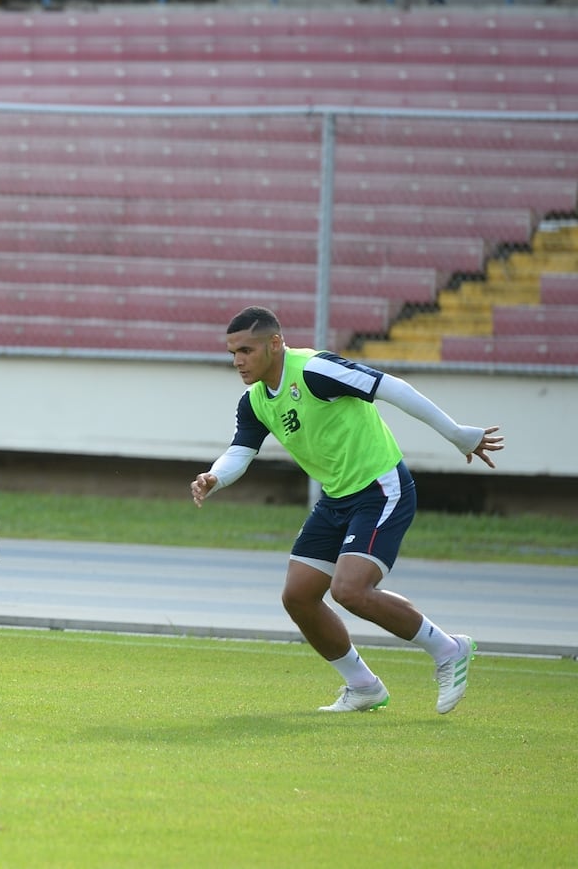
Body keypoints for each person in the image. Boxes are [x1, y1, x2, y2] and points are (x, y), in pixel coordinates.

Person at [191, 306, 503, 714]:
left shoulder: (315, 369)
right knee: (299, 597)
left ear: (274, 343)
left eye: (246, 350)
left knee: (349, 590)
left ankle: (448, 649)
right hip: (337, 498)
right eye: (232, 353)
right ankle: (363, 686)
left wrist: (457, 434)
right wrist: (215, 476)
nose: (237, 361)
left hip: (380, 488)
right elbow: (241, 450)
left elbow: (392, 388)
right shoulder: (254, 401)